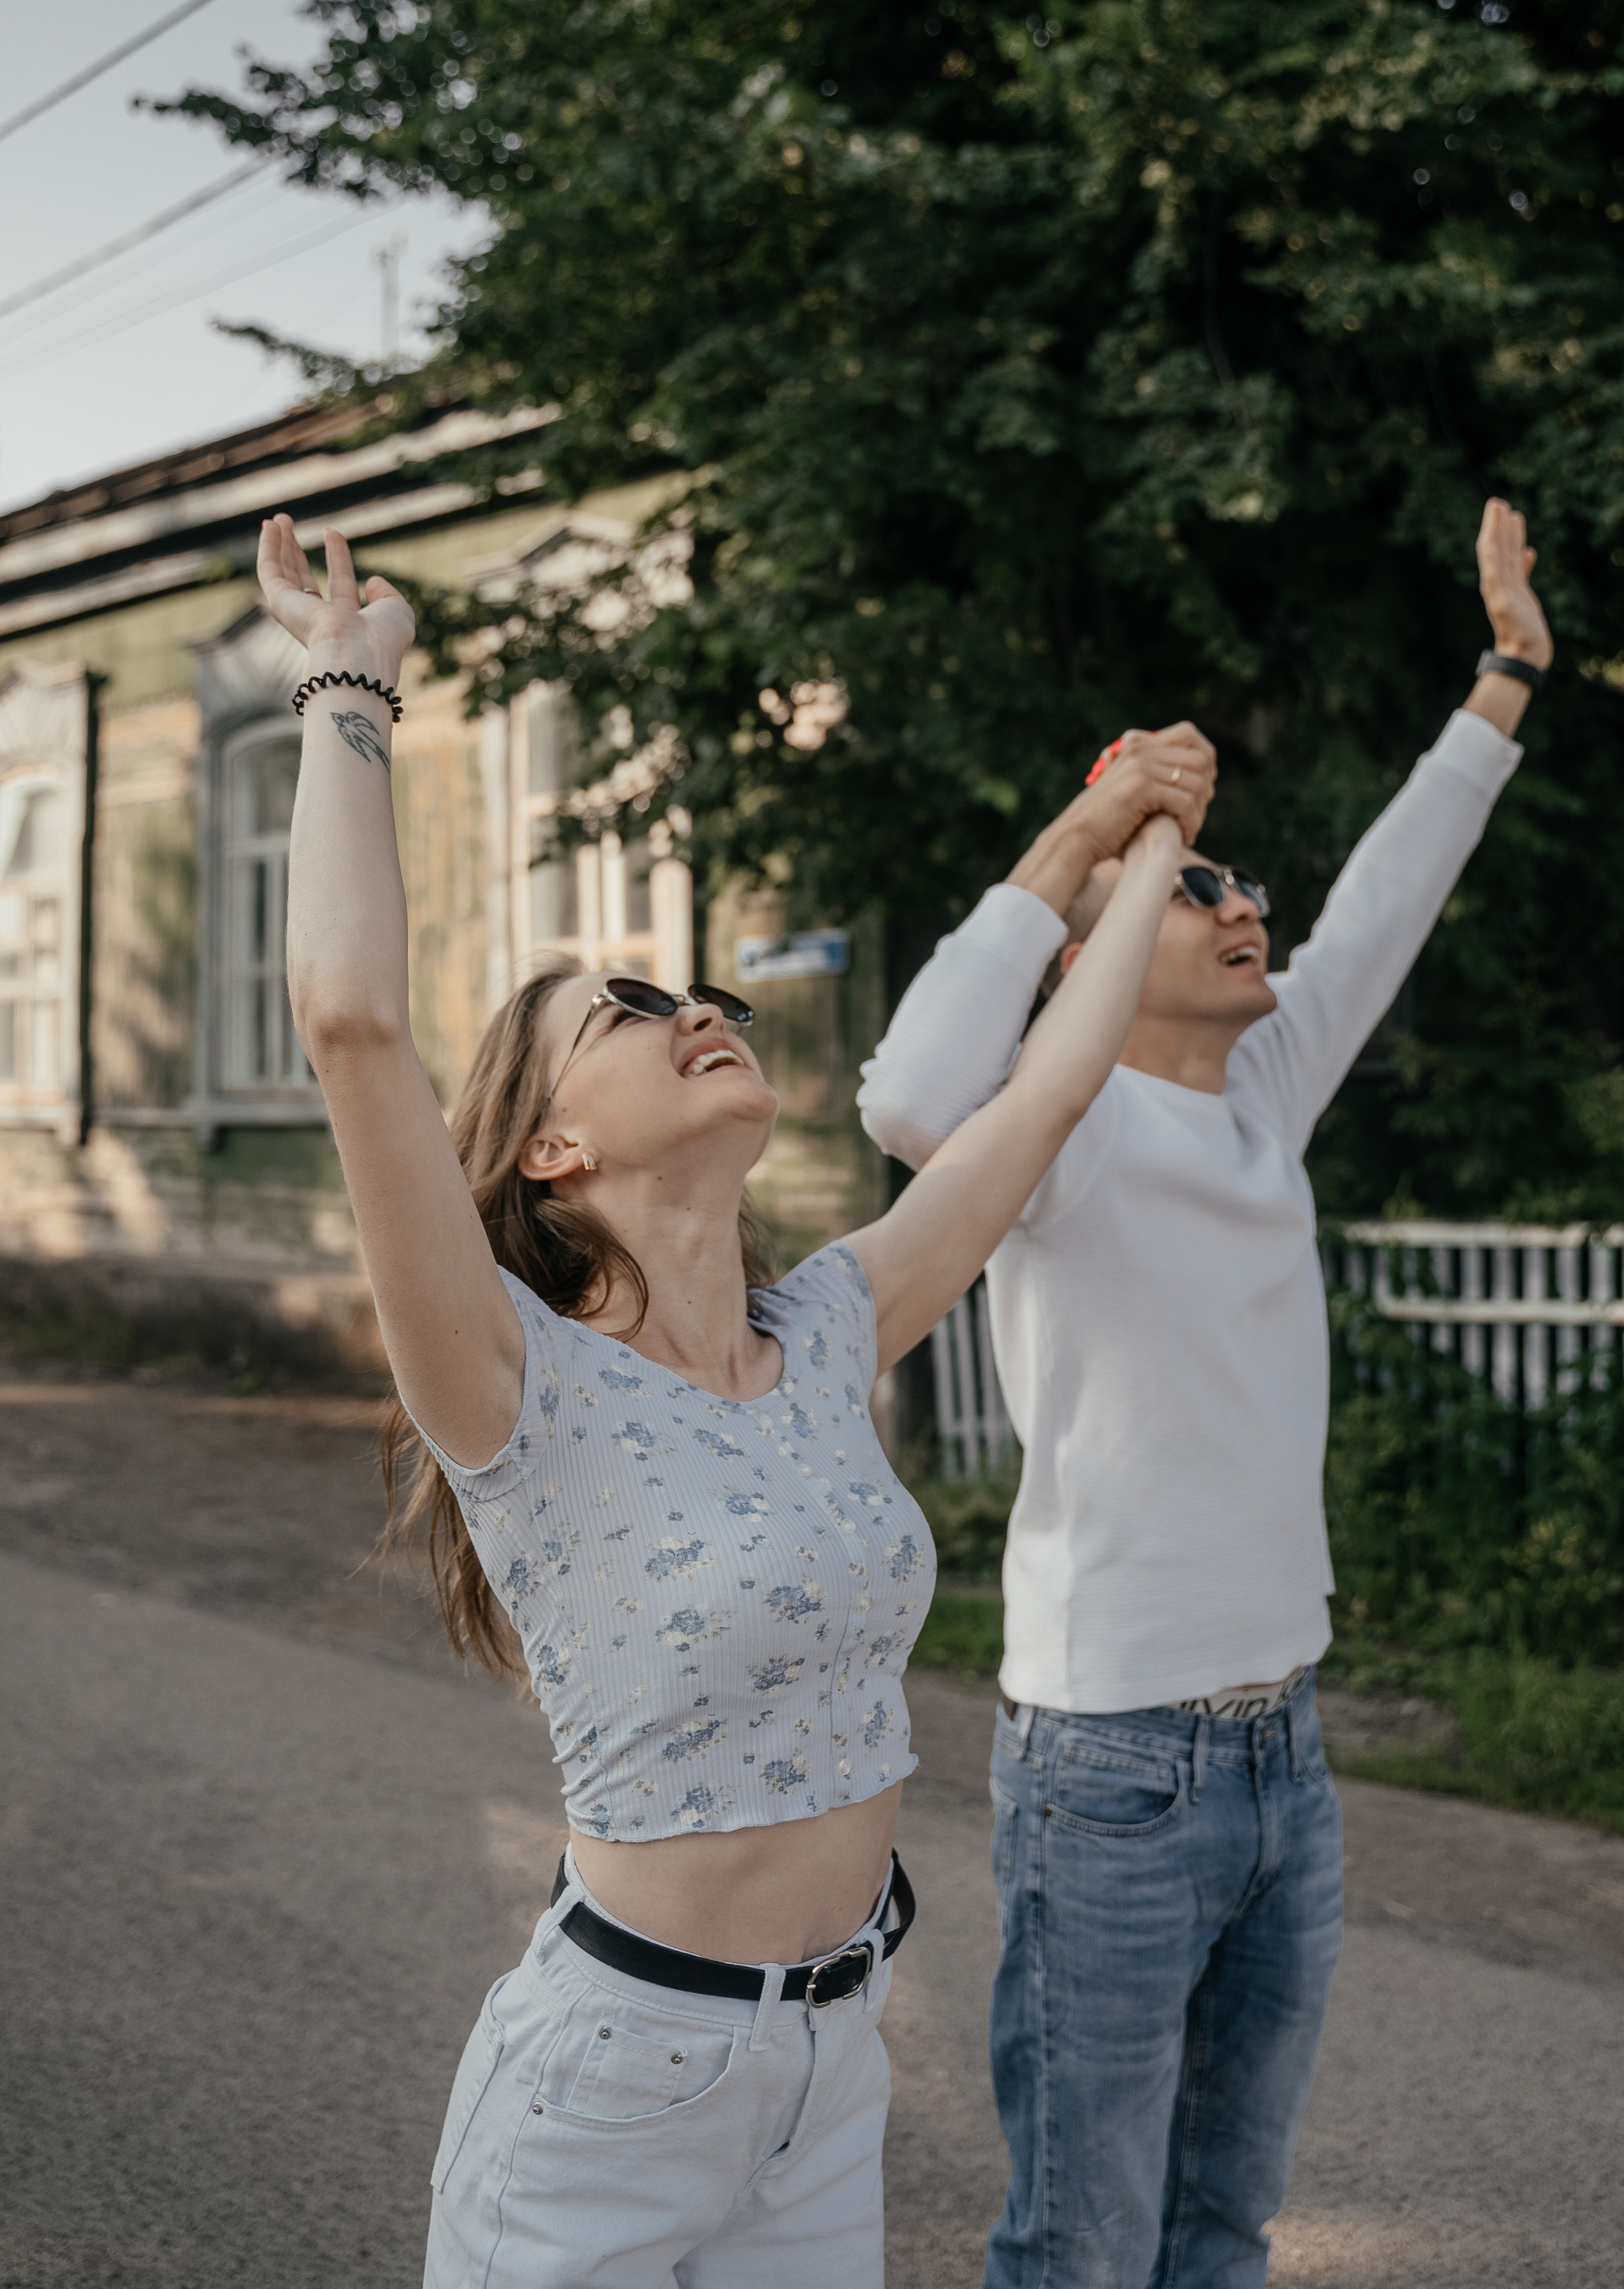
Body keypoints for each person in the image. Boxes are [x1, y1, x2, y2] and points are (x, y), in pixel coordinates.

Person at [252, 509, 1214, 2289]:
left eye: (698, 988)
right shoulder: (510, 1385)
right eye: (629, 1008)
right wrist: (344, 686)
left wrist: (1130, 836)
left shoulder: (831, 1333)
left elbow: (1044, 1098)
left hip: (831, 2073)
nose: (694, 1006)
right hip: (608, 2098)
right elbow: (350, 1018)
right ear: (553, 1147)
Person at [857, 499, 1553, 2289]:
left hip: (1282, 1752)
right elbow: (907, 1093)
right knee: (1081, 2242)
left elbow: (1394, 892)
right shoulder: (1058, 1130)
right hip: (1110, 1766)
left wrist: (1504, 680)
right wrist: (1100, 821)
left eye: (1245, 884)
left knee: (1225, 2231)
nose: (1250, 900)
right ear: (1086, 966)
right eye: (1200, 887)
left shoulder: (1262, 1097)